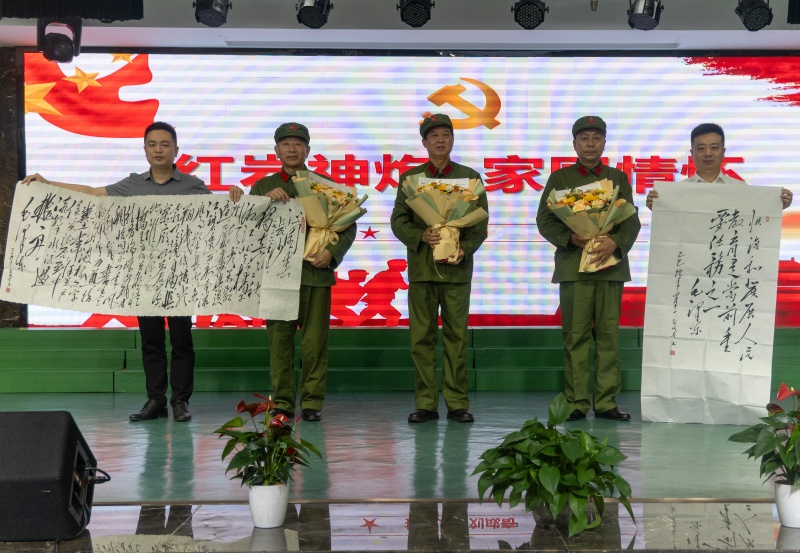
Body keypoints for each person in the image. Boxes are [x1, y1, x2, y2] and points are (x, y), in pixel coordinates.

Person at [22, 121, 211, 422]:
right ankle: (155, 400)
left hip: (179, 275)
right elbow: (92, 193)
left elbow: (223, 215)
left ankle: (180, 401)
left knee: (181, 340)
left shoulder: (193, 185)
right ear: (145, 149)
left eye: (165, 144)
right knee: (151, 342)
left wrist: (237, 195)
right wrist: (47, 183)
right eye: (152, 144)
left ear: (176, 150)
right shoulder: (132, 184)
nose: (158, 150)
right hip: (143, 275)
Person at [229, 123, 356, 422]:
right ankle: (283, 402)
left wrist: (332, 253)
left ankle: (312, 402)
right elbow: (247, 229)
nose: (292, 149)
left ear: (308, 150)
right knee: (280, 344)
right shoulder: (263, 186)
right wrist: (264, 202)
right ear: (276, 150)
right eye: (286, 144)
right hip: (276, 278)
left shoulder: (325, 184)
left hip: (315, 275)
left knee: (314, 344)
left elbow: (347, 224)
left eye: (298, 144)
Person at [535, 116, 641, 422]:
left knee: (609, 336)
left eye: (596, 138)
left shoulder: (618, 178)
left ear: (604, 143)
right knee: (576, 336)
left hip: (610, 267)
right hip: (574, 267)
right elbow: (545, 219)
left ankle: (606, 402)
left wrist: (615, 242)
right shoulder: (559, 179)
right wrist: (570, 237)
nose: (590, 144)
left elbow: (630, 220)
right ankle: (576, 402)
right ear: (575, 144)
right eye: (584, 138)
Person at [390, 113, 489, 423]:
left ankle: (457, 403)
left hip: (457, 271)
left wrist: (464, 248)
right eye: (434, 136)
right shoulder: (411, 179)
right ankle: (426, 403)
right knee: (421, 339)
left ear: (452, 140)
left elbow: (480, 223)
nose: (440, 140)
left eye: (446, 134)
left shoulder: (470, 178)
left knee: (457, 338)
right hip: (422, 270)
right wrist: (421, 235)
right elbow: (398, 220)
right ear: (424, 142)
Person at [645, 123, 793, 210]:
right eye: (701, 148)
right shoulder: (678, 192)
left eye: (714, 148)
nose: (708, 154)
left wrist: (776, 206)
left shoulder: (740, 188)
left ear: (723, 151)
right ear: (692, 153)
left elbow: (754, 221)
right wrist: (658, 207)